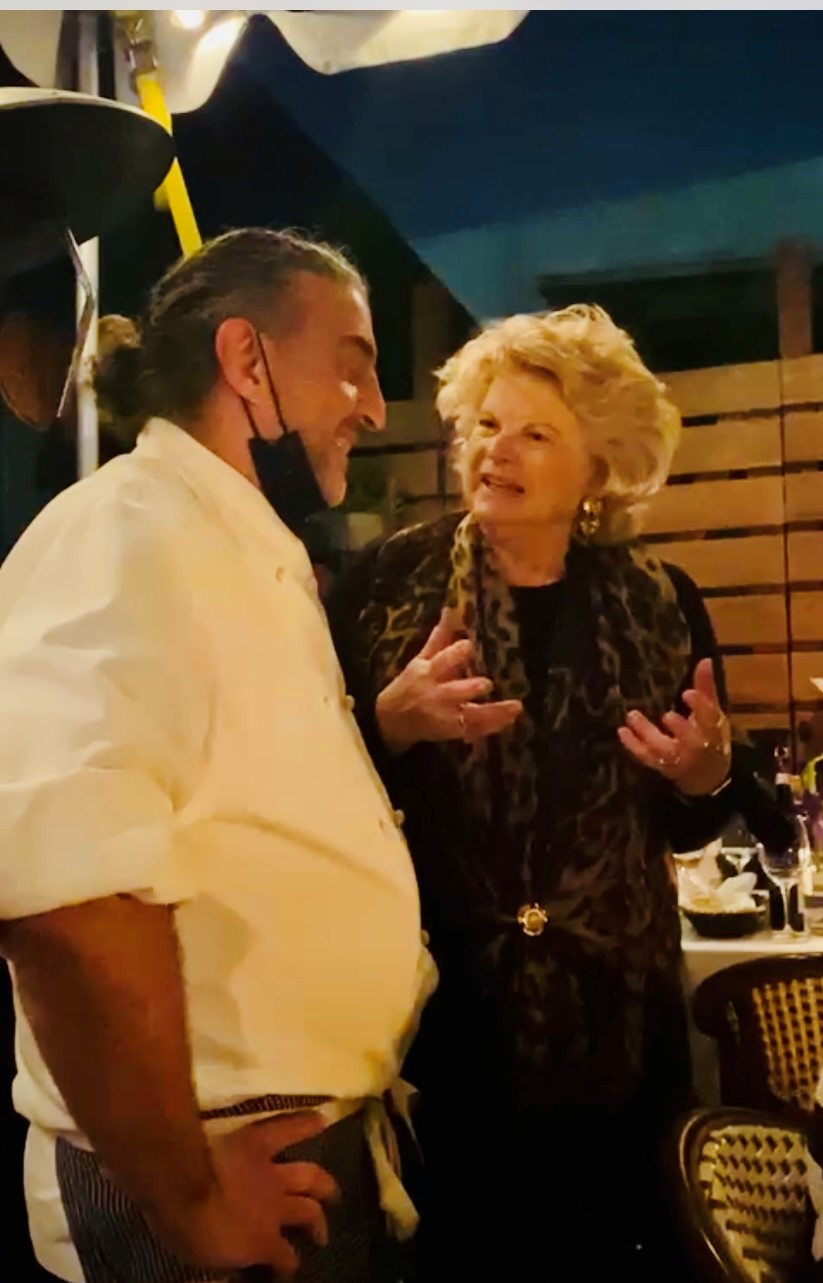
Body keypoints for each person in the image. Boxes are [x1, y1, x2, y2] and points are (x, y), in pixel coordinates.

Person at [0, 228, 434, 1283]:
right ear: (245, 360)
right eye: (353, 363)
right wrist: (187, 1197)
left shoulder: (236, 548)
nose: (375, 408)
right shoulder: (129, 532)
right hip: (202, 1175)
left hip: (286, 1155)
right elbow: (62, 895)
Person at [326, 304, 768, 1280]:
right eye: (486, 423)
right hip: (440, 1023)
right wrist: (388, 723)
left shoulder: (661, 598)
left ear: (597, 466)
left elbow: (695, 811)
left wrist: (704, 774)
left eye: (535, 433)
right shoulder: (384, 586)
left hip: (618, 1023)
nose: (498, 449)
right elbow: (312, 784)